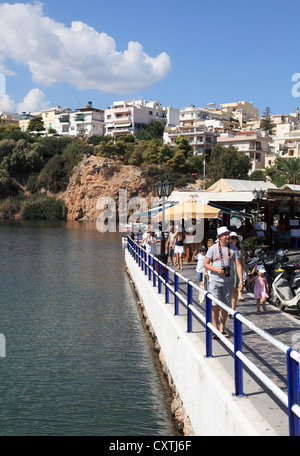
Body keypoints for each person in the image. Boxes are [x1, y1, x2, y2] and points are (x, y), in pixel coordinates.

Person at [204, 226, 243, 338]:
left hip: (228, 281)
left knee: (226, 306)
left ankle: (221, 329)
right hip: (215, 281)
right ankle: (215, 329)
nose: (228, 236)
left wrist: (241, 281)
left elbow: (238, 265)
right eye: (225, 234)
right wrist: (216, 270)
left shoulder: (234, 249)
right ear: (219, 237)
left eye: (228, 234)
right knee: (215, 305)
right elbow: (206, 264)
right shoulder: (213, 249)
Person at [230, 232, 249, 316]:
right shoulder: (226, 247)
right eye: (232, 238)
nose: (234, 239)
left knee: (235, 289)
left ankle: (232, 309)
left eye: (235, 238)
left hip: (236, 269)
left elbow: (241, 260)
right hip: (229, 268)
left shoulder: (240, 247)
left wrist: (247, 272)